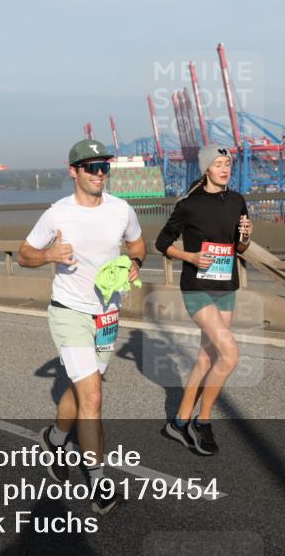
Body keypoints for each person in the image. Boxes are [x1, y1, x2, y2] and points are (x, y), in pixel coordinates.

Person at [18, 138, 146, 516]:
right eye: (91, 167)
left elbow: (138, 246)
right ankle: (100, 484)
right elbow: (24, 255)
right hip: (69, 311)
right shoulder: (57, 214)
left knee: (81, 388)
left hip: (107, 315)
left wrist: (134, 262)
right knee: (92, 398)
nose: (99, 173)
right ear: (73, 171)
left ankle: (55, 440)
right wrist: (48, 255)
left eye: (104, 166)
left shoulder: (122, 210)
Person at [155, 144, 253, 456]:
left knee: (206, 359)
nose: (225, 169)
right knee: (230, 356)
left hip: (226, 286)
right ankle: (203, 421)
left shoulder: (237, 200)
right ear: (206, 169)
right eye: (219, 164)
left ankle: (179, 422)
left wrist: (246, 236)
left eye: (228, 164)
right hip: (197, 286)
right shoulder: (190, 205)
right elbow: (162, 242)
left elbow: (239, 248)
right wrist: (190, 257)